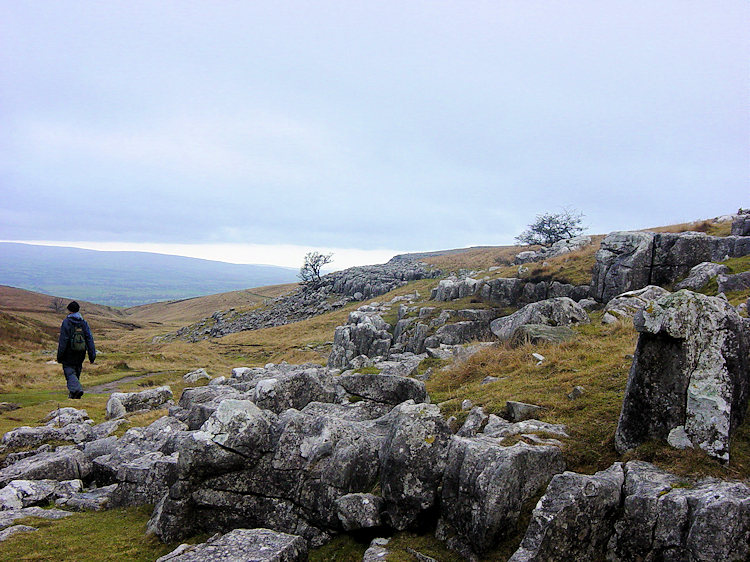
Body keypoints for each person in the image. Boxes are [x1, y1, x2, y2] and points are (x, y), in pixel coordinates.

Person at [56, 301, 96, 399]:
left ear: (69, 310)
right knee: (77, 371)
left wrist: (60, 355)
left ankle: (76, 390)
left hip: (68, 353)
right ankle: (74, 394)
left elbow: (63, 340)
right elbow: (89, 338)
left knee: (69, 372)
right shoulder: (83, 322)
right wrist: (92, 355)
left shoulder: (66, 322)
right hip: (81, 352)